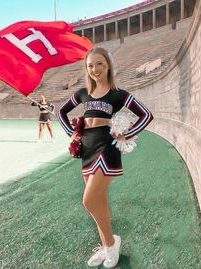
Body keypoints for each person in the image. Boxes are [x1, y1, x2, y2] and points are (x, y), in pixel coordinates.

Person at [57, 47, 153, 268]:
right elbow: (62, 112)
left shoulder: (118, 94)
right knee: (97, 203)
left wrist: (126, 134)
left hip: (106, 147)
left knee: (88, 200)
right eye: (90, 65)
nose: (94, 69)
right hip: (86, 148)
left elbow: (145, 115)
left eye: (99, 63)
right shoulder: (83, 92)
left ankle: (111, 244)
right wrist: (71, 132)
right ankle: (107, 245)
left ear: (108, 65)